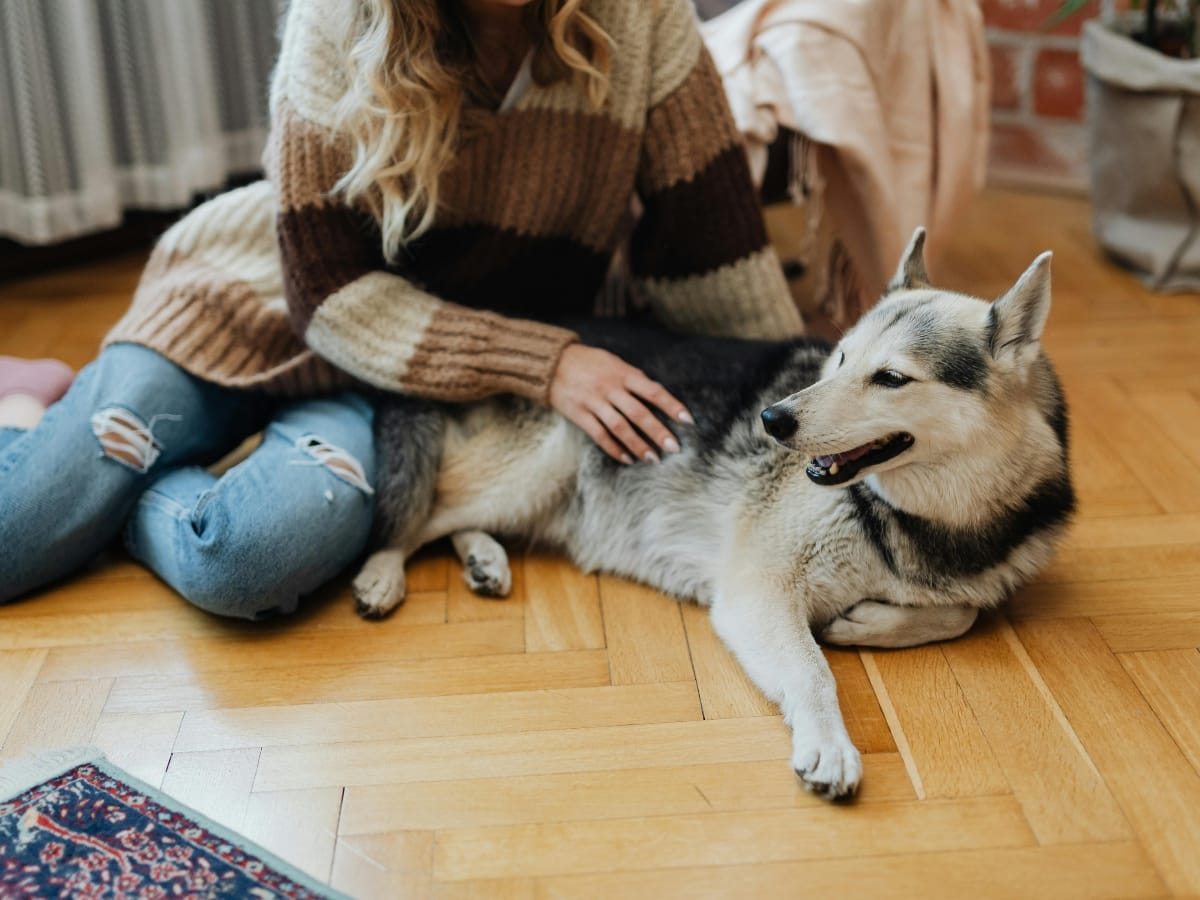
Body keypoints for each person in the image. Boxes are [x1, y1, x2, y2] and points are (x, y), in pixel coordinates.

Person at [0, 0, 803, 618]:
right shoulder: (339, 16)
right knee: (13, 540)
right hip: (250, 309)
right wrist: (546, 362)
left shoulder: (640, 20)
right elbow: (324, 294)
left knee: (240, 563)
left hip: (411, 384)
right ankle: (27, 413)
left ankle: (112, 477)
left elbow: (715, 257)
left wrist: (802, 416)